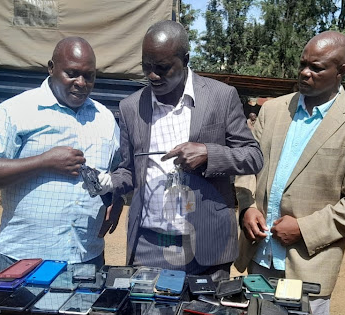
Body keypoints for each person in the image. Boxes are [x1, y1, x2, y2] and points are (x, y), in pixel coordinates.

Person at [234, 31, 345, 315]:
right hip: (259, 256)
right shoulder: (274, 110)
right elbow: (248, 166)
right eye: (303, 64)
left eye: (317, 68)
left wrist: (304, 228)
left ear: (341, 71)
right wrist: (247, 207)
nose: (305, 72)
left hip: (308, 265)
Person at [97, 21, 262, 280]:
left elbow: (253, 156)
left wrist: (209, 153)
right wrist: (108, 182)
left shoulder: (221, 97)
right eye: (146, 66)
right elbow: (129, 170)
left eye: (162, 68)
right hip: (149, 247)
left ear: (185, 59)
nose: (152, 75)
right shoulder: (131, 107)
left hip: (207, 247)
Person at [0, 37, 119, 281]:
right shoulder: (15, 111)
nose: (81, 83)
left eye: (89, 76)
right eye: (72, 73)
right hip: (25, 259)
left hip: (86, 257)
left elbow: (114, 169)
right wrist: (43, 162)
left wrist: (115, 196)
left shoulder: (105, 119)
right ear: (51, 68)